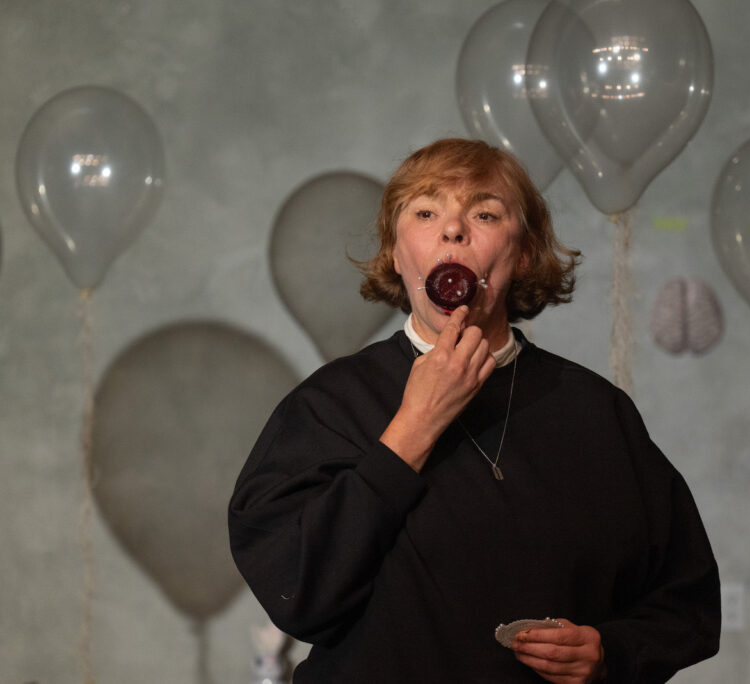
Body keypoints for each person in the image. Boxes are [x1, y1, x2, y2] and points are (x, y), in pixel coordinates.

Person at [229, 138, 720, 683]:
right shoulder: (328, 406)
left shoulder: (597, 413)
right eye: (425, 211)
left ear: (524, 253)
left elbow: (689, 604)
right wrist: (413, 426)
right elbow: (296, 592)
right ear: (397, 252)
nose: (453, 229)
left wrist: (610, 652)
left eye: (484, 213)